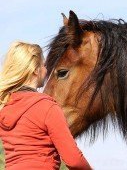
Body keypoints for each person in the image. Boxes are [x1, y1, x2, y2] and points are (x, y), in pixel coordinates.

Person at [0, 41, 92, 170]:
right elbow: (74, 160)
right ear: (35, 70)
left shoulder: (4, 107)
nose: (46, 69)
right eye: (43, 65)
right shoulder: (45, 106)